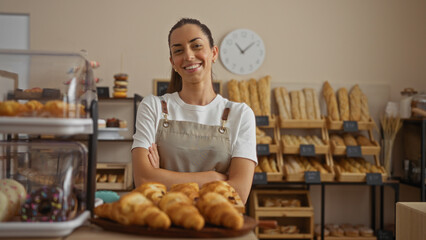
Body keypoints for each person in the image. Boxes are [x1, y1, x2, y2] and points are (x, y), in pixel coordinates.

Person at [131, 18, 256, 203]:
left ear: (214, 53)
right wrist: (214, 178)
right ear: (173, 61)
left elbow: (239, 193)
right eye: (179, 50)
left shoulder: (240, 114)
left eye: (196, 46)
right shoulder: (153, 107)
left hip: (217, 226)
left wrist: (160, 175)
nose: (188, 56)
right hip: (163, 224)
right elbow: (143, 180)